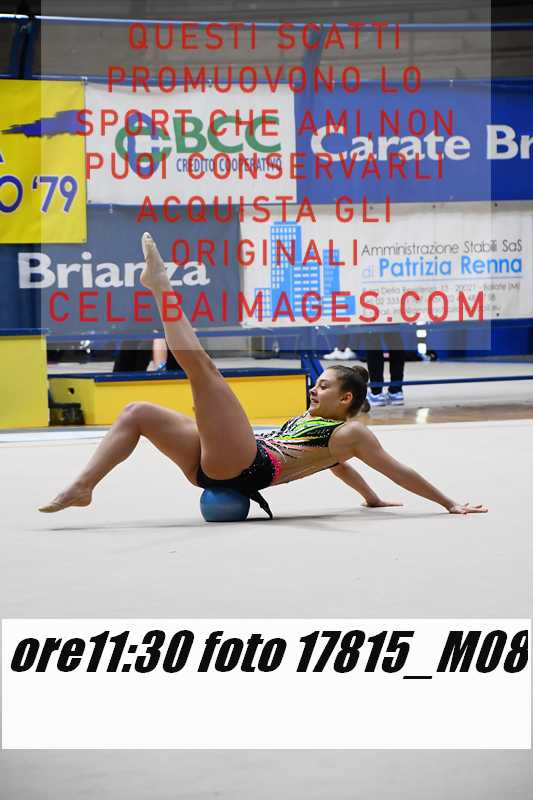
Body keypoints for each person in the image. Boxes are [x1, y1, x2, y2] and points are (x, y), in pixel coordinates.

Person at [38, 233, 487, 518]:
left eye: (324, 385)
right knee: (137, 412)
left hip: (246, 465)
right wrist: (370, 499)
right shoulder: (331, 434)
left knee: (204, 372)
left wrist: (448, 502)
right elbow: (340, 466)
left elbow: (395, 469)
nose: (314, 387)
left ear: (346, 399)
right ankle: (84, 487)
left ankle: (162, 289)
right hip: (219, 465)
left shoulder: (352, 433)